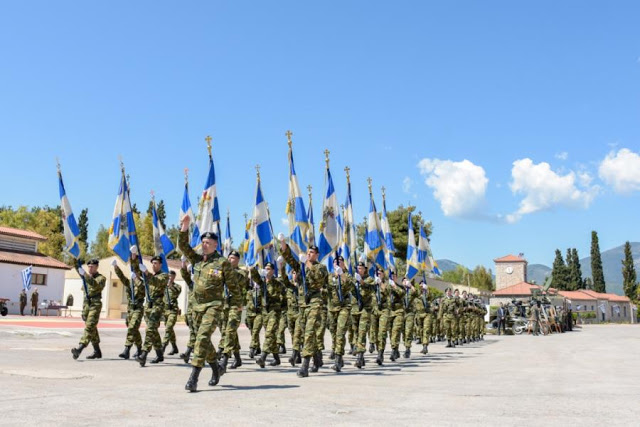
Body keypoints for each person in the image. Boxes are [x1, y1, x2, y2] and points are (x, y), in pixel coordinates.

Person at [179, 215, 238, 392]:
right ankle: (216, 369)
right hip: (196, 306)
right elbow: (183, 246)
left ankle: (193, 378)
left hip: (213, 305)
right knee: (202, 340)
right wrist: (185, 227)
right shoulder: (197, 260)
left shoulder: (222, 263)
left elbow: (234, 288)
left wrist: (236, 307)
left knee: (203, 337)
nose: (204, 244)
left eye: (207, 242)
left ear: (215, 245)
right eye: (203, 241)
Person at [279, 234, 328, 377]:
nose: (308, 254)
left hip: (314, 301)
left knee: (309, 331)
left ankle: (305, 366)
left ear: (317, 255)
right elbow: (289, 259)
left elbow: (318, 279)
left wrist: (306, 264)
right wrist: (283, 243)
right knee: (304, 332)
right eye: (308, 252)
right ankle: (317, 357)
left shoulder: (321, 267)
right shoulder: (301, 266)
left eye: (311, 252)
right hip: (302, 303)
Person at [132, 252, 168, 367]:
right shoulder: (149, 276)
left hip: (157, 306)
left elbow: (156, 282)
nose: (154, 265)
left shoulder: (164, 276)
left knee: (150, 330)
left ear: (161, 265)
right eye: (152, 263)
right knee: (153, 331)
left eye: (156, 263)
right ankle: (159, 354)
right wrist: (134, 259)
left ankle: (144, 354)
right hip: (148, 306)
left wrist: (146, 273)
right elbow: (141, 281)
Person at [250, 262, 284, 368]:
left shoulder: (277, 283)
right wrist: (253, 269)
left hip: (274, 311)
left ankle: (263, 357)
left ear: (273, 271)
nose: (267, 270)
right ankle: (277, 359)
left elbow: (279, 296)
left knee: (269, 333)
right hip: (265, 312)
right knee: (271, 337)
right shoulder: (262, 282)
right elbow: (255, 277)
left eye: (269, 269)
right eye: (265, 268)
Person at [219, 250, 248, 372]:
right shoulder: (222, 271)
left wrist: (225, 270)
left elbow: (238, 279)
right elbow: (211, 275)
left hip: (236, 305)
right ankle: (237, 358)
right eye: (229, 258)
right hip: (224, 305)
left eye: (234, 259)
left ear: (237, 261)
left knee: (230, 331)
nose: (231, 260)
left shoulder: (242, 272)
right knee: (228, 331)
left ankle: (224, 360)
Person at [71, 259, 106, 360]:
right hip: (87, 305)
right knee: (92, 329)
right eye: (89, 266)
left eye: (92, 266)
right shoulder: (85, 277)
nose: (90, 268)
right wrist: (74, 259)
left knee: (89, 327)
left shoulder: (101, 278)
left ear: (97, 267)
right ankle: (97, 351)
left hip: (95, 304)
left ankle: (79, 349)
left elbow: (95, 285)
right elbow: (78, 268)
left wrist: (85, 275)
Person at [112, 258, 145, 360]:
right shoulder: (130, 283)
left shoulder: (144, 284)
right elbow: (121, 277)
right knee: (133, 329)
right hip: (130, 309)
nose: (135, 274)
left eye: (136, 272)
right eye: (134, 272)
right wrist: (116, 267)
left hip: (138, 309)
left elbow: (143, 290)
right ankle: (139, 348)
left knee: (132, 328)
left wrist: (136, 279)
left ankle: (126, 350)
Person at [327, 256, 354, 372]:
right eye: (335, 262)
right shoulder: (330, 277)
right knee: (333, 332)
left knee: (340, 332)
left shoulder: (347, 275)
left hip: (344, 307)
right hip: (332, 308)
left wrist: (342, 274)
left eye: (340, 262)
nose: (337, 264)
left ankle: (338, 359)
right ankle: (338, 353)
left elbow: (351, 286)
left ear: (343, 264)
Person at [163, 270, 182, 356]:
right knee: (169, 329)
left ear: (174, 277)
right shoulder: (163, 286)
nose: (170, 278)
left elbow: (176, 293)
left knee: (168, 328)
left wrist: (171, 287)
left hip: (173, 310)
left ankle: (162, 348)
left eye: (171, 276)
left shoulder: (177, 286)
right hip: (165, 310)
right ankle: (174, 347)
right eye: (169, 276)